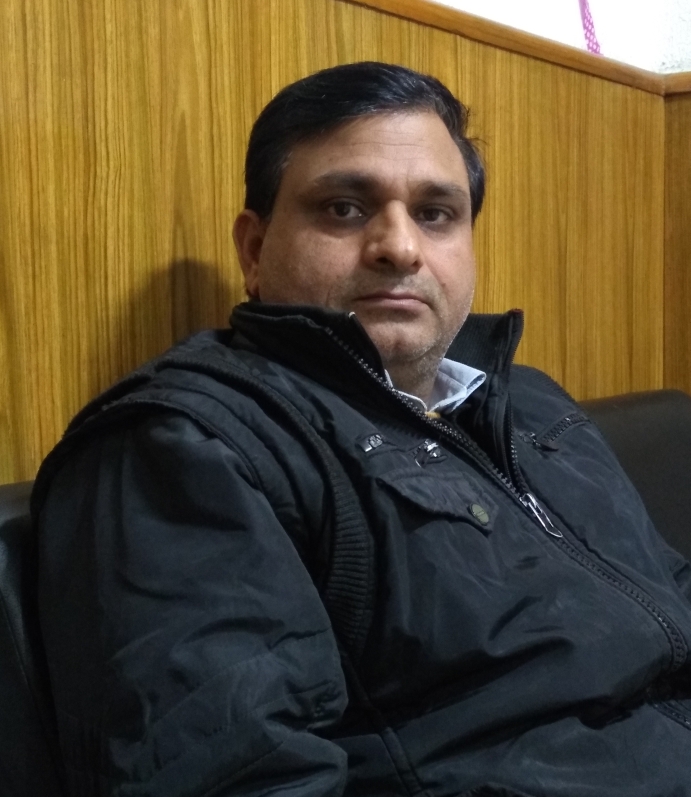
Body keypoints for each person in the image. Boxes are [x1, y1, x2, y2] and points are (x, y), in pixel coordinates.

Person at [33, 62, 691, 797]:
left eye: (435, 213)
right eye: (344, 208)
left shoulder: (529, 403)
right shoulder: (191, 445)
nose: (399, 247)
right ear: (253, 250)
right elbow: (241, 778)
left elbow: (668, 590)